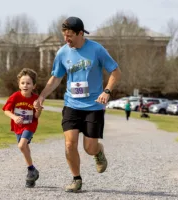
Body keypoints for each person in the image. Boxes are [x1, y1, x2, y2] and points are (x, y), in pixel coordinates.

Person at [34, 16, 121, 192]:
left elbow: (116, 72)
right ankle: (76, 179)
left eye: (70, 36)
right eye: (64, 36)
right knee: (69, 143)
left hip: (94, 106)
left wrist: (107, 91)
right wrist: (42, 96)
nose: (66, 40)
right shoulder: (62, 52)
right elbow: (56, 78)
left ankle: (98, 151)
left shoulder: (97, 49)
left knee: (89, 148)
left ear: (80, 33)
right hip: (72, 104)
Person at [2, 68, 43, 187]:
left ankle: (31, 169)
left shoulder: (36, 98)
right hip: (18, 126)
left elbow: (36, 115)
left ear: (34, 86)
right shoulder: (15, 96)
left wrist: (38, 109)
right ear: (19, 84)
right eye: (23, 83)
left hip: (30, 125)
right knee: (25, 147)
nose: (25, 85)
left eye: (28, 83)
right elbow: (6, 110)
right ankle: (32, 174)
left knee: (21, 145)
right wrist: (14, 117)